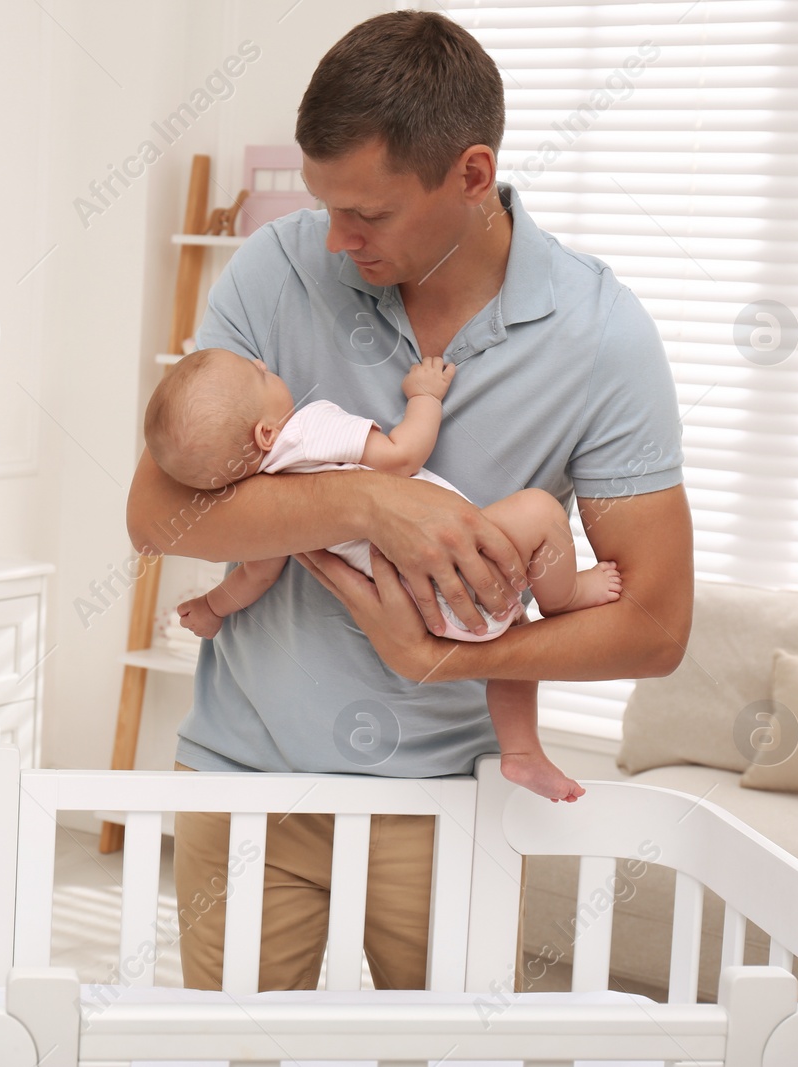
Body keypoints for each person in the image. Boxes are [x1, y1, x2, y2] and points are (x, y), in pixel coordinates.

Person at [126, 10, 692, 993]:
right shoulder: (279, 265)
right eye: (324, 205)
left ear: (472, 176)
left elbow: (654, 625)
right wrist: (371, 505)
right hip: (243, 779)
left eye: (369, 215)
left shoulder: (600, 337)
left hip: (450, 806)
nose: (335, 242)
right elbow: (156, 515)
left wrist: (440, 659)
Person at [144, 346, 624, 801]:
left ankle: (520, 753)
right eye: (259, 374)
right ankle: (565, 597)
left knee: (511, 639)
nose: (262, 361)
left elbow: (256, 578)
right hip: (458, 570)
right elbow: (401, 455)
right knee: (540, 512)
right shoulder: (308, 430)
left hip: (423, 613)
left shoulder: (271, 509)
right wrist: (425, 396)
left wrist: (211, 608)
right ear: (267, 435)